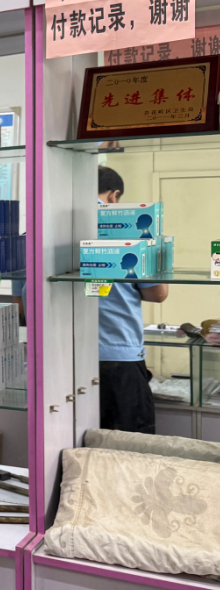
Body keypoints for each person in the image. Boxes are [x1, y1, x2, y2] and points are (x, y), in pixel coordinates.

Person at [97, 166, 168, 433]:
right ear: (114, 196)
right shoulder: (131, 233)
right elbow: (157, 294)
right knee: (128, 445)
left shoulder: (35, 231)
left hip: (56, 357)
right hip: (117, 353)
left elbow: (22, 304)